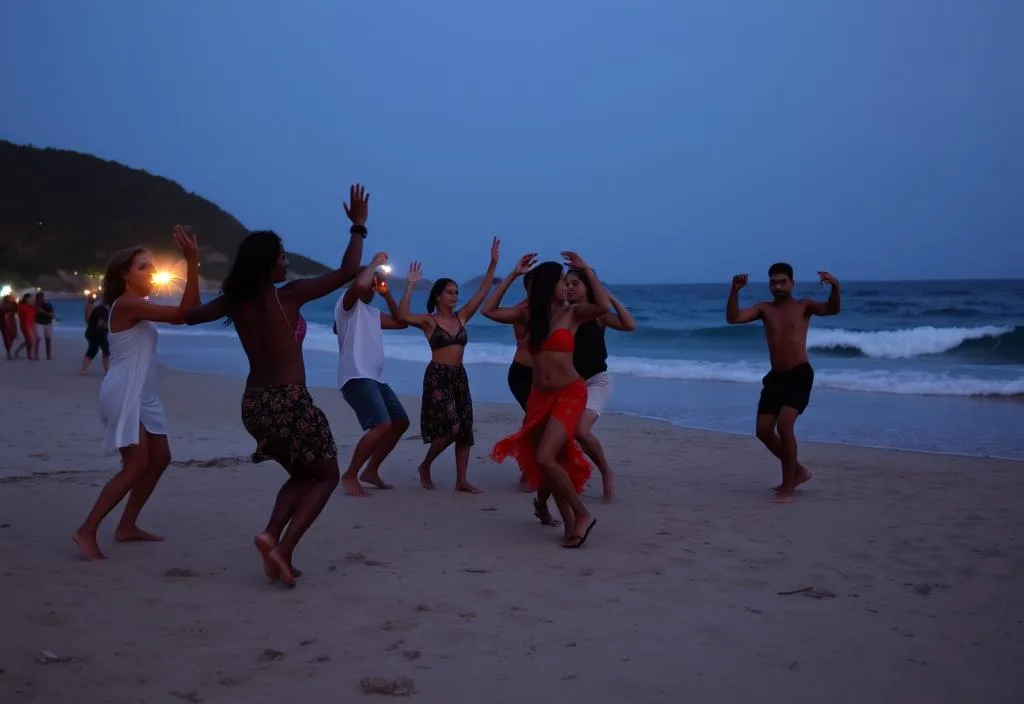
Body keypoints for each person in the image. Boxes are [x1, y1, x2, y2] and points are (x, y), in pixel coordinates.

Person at [183, 184, 369, 587]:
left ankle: (270, 536)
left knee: (303, 474)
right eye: (282, 257)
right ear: (268, 265)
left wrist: (191, 263)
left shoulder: (234, 301)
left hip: (255, 405)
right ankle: (283, 550)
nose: (287, 262)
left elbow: (189, 315)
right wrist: (358, 227)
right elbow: (347, 271)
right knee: (325, 476)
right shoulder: (288, 297)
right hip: (290, 403)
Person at [73, 226, 201, 561]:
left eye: (150, 265)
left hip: (145, 395)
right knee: (135, 464)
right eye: (142, 266)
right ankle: (86, 530)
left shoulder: (138, 304)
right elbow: (184, 315)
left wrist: (192, 268)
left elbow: (193, 310)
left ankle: (127, 526)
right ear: (124, 275)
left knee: (160, 459)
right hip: (124, 392)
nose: (151, 271)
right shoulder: (127, 304)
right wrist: (191, 260)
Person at [487, 252, 607, 548]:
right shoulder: (529, 315)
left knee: (545, 457)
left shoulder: (573, 314)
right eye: (562, 282)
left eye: (570, 282)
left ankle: (581, 515)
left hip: (569, 393)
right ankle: (567, 523)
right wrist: (513, 275)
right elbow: (488, 311)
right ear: (547, 286)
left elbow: (603, 306)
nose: (567, 287)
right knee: (552, 460)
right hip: (539, 396)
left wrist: (586, 270)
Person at [726, 263, 841, 503]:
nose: (777, 286)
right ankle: (798, 471)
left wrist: (835, 287)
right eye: (773, 282)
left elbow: (832, 309)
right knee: (763, 431)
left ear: (792, 283)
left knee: (785, 427)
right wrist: (735, 290)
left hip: (799, 374)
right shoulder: (763, 309)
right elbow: (734, 318)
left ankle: (788, 487)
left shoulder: (804, 306)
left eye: (782, 282)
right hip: (775, 377)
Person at [397, 238, 500, 494]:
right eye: (450, 292)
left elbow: (482, 292)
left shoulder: (462, 317)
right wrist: (410, 285)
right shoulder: (429, 322)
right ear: (439, 296)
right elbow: (402, 315)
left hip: (459, 377)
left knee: (464, 429)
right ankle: (425, 465)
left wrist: (493, 263)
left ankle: (461, 480)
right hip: (438, 377)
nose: (455, 296)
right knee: (452, 427)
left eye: (457, 292)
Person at [333, 254, 410, 497]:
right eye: (371, 279)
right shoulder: (346, 306)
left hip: (375, 379)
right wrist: (375, 262)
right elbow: (358, 286)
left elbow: (401, 323)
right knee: (382, 424)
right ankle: (350, 475)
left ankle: (371, 471)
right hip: (356, 376)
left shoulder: (372, 313)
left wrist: (386, 294)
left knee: (399, 422)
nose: (372, 283)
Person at [564, 267, 636, 500]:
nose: (570, 287)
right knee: (563, 435)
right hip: (569, 384)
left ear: (588, 287)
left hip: (597, 381)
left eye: (576, 283)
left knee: (581, 431)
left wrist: (611, 297)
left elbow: (629, 325)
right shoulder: (566, 313)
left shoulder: (599, 315)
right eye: (567, 283)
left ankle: (605, 470)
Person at [80, 292, 111, 375]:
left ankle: (83, 369)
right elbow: (101, 323)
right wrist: (109, 327)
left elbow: (88, 319)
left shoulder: (98, 308)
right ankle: (107, 370)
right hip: (98, 333)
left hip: (90, 332)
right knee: (105, 350)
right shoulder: (102, 310)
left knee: (93, 350)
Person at [34, 291, 56, 360]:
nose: (39, 299)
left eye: (41, 298)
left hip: (48, 323)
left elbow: (52, 315)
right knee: (38, 338)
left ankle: (48, 355)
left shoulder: (48, 305)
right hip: (39, 323)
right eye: (38, 298)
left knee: (48, 339)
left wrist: (43, 312)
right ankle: (36, 355)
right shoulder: (34, 306)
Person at [14, 293, 36, 359]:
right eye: (30, 298)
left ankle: (17, 352)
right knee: (31, 341)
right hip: (25, 325)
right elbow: (20, 315)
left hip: (30, 325)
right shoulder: (22, 306)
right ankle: (29, 355)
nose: (32, 299)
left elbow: (33, 315)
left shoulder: (30, 306)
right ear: (26, 299)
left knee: (28, 341)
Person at [1, 294, 17, 360]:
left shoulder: (13, 304)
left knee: (12, 337)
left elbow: (16, 310)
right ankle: (8, 352)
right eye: (9, 298)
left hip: (12, 323)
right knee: (6, 339)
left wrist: (15, 302)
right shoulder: (2, 305)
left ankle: (9, 351)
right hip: (3, 324)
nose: (11, 299)